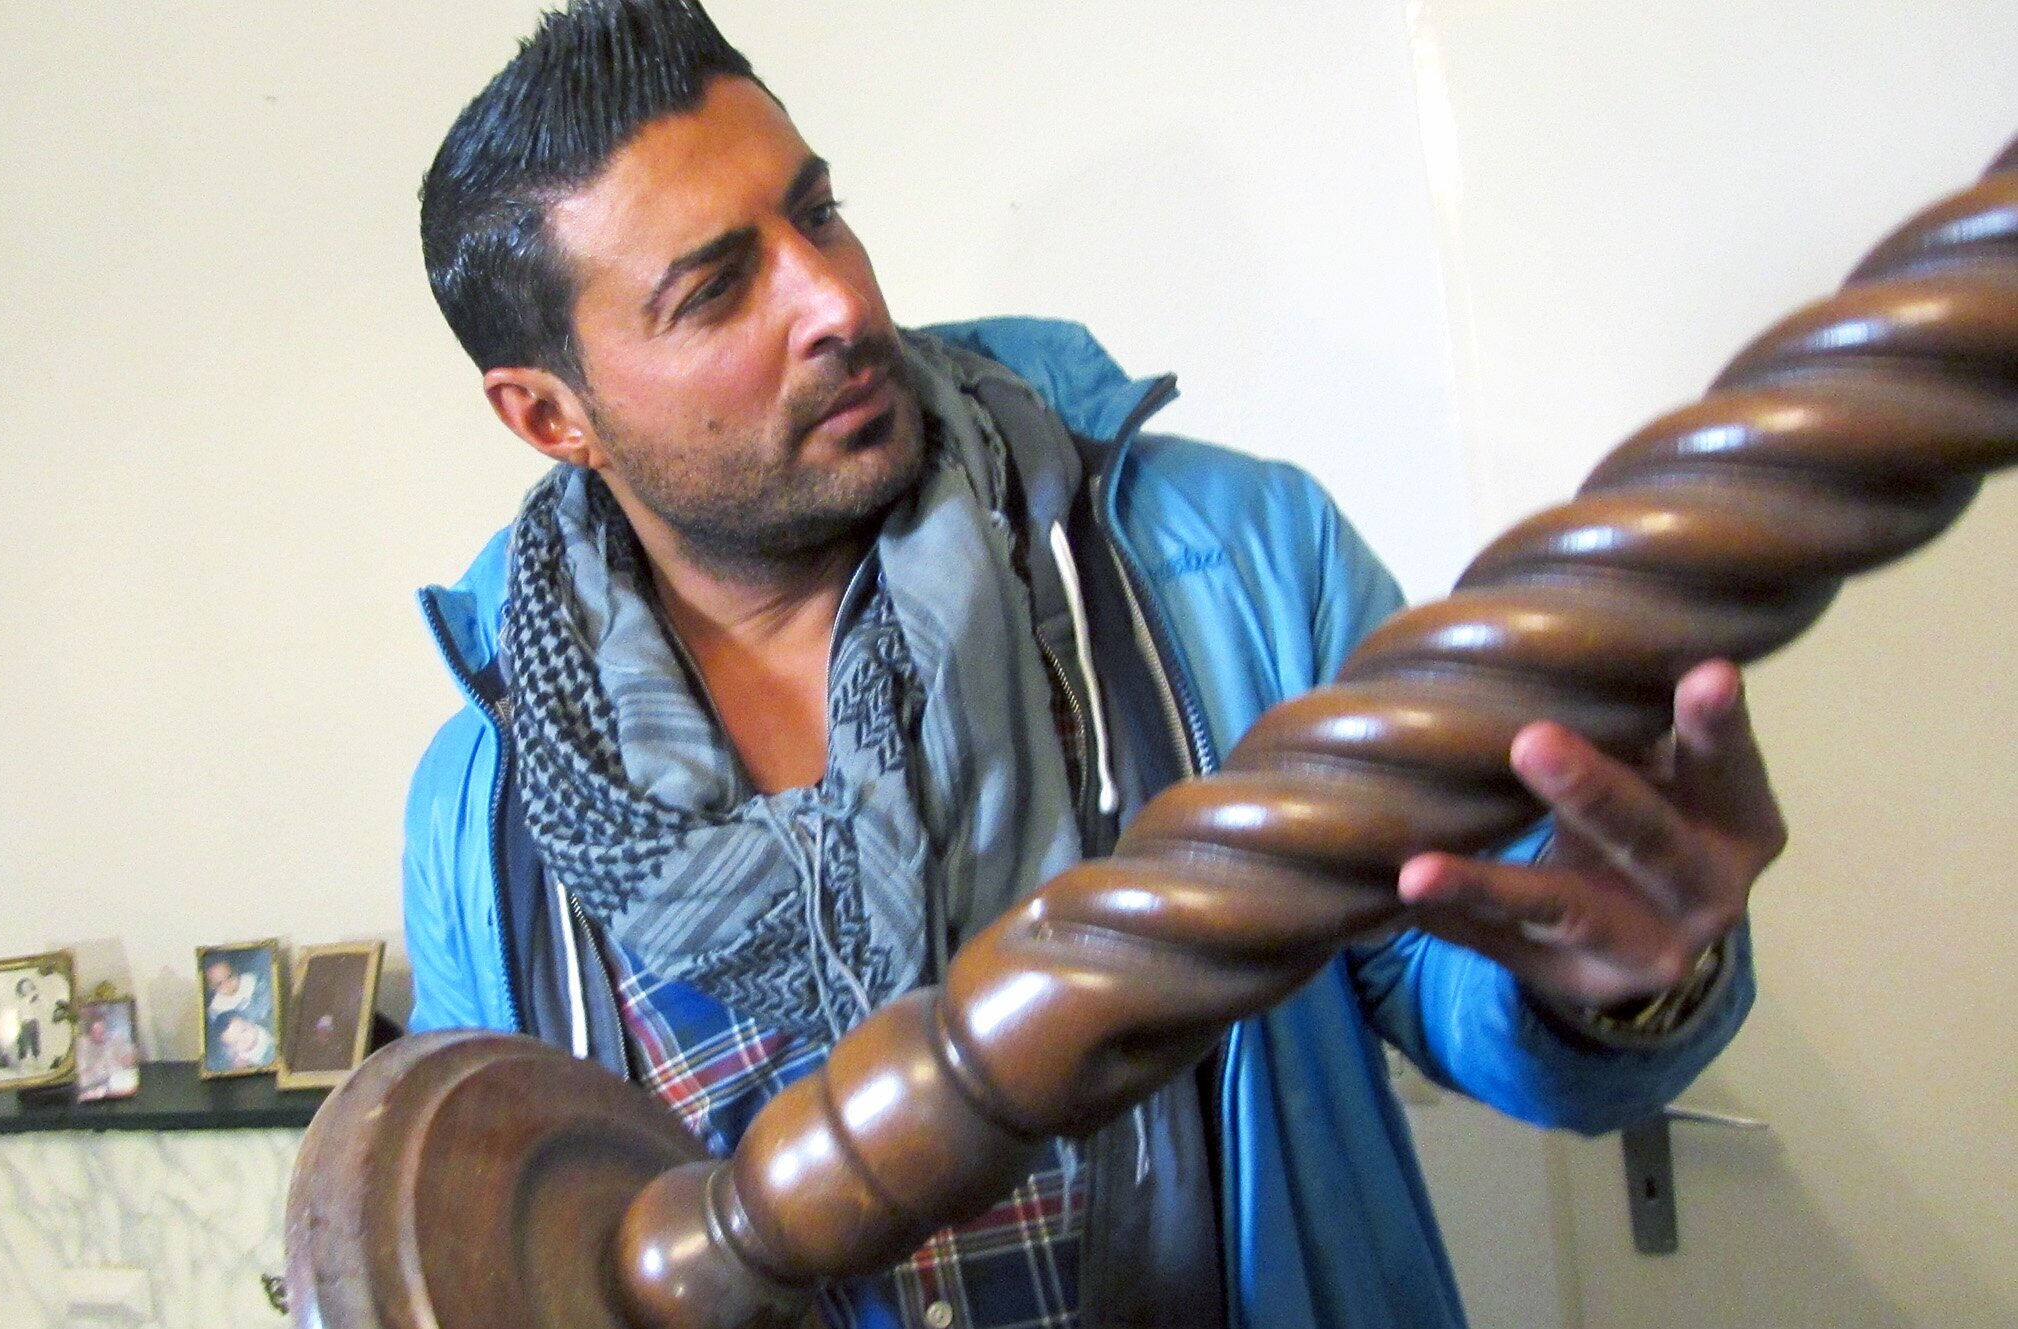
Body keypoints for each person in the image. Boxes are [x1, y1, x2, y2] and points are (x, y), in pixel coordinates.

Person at [400, 3, 1784, 1324]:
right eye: (717, 289)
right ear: (549, 415)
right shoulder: (486, 812)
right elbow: (530, 1245)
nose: (834, 300)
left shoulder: (1236, 562)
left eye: (817, 213)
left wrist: (1618, 977)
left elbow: (1452, 970)